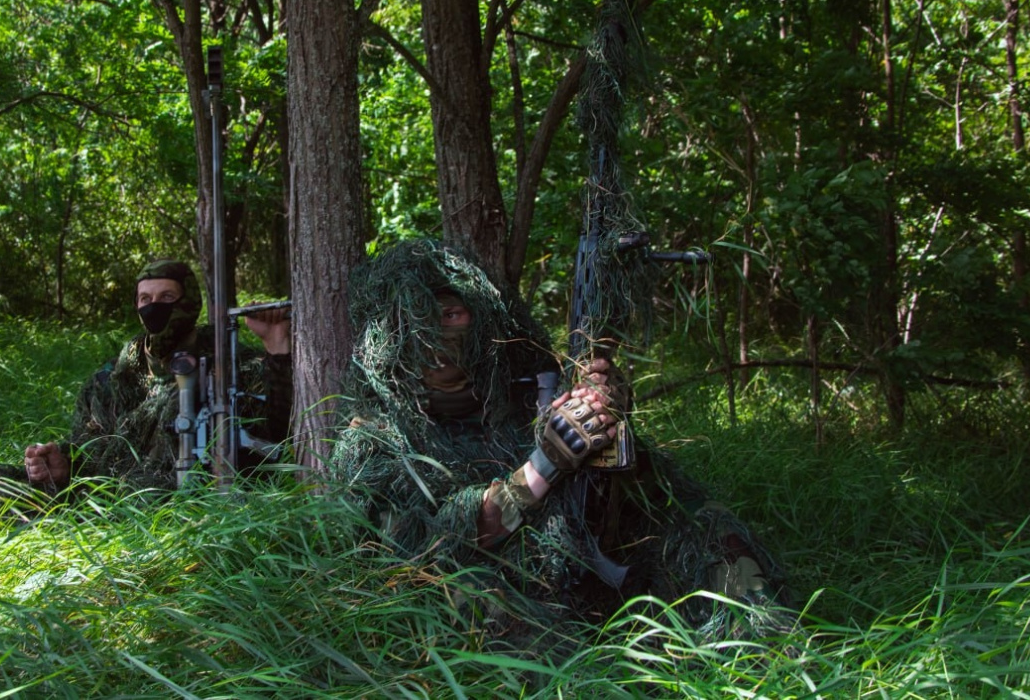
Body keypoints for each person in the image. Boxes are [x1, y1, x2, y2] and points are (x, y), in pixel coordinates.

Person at [328, 239, 790, 643]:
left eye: (451, 314)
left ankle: (772, 655)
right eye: (420, 319)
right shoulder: (373, 438)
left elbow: (629, 491)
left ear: (478, 319)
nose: (437, 333)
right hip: (500, 599)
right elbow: (421, 552)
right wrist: (543, 466)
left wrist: (605, 416)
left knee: (710, 531)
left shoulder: (521, 389)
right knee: (476, 595)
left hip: (587, 569)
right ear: (389, 335)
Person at [0, 259, 292, 500]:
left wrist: (276, 345)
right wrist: (61, 466)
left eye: (167, 298)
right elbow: (88, 447)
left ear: (189, 303)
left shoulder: (228, 360)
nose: (154, 307)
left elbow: (279, 430)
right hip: (108, 496)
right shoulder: (110, 378)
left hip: (181, 500)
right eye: (145, 299)